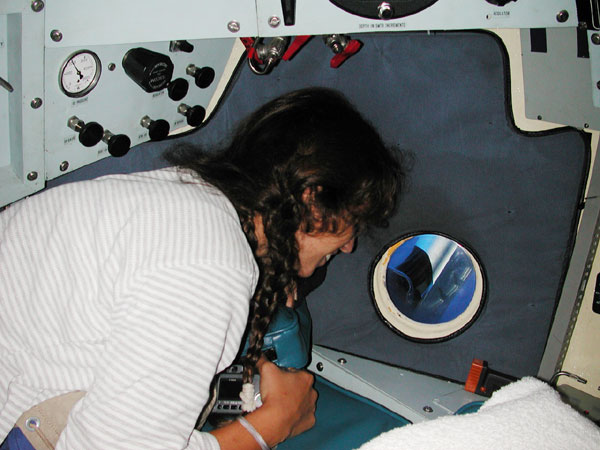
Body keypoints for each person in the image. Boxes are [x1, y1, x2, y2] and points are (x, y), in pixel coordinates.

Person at [0, 87, 402, 449]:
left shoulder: (182, 202)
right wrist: (270, 426)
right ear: (312, 199)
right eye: (355, 221)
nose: (349, 246)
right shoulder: (207, 263)